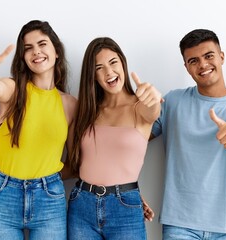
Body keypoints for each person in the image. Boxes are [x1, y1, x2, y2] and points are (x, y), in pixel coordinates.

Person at [151, 29, 226, 239]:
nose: (202, 65)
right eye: (193, 60)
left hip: (225, 226)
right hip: (179, 224)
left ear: (222, 56)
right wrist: (136, 104)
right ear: (186, 67)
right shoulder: (173, 102)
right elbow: (135, 138)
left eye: (209, 56)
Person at [0, 20, 77, 240]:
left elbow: (75, 162)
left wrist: (47, 179)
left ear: (56, 51)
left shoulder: (70, 105)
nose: (36, 52)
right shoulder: (14, 89)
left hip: (49, 199)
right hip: (4, 195)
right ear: (23, 57)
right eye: (28, 48)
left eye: (42, 44)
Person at [65, 37, 161, 240]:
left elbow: (152, 111)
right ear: (93, 76)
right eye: (99, 67)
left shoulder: (140, 107)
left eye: (113, 62)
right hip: (81, 204)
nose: (109, 72)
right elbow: (77, 165)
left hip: (125, 207)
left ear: (123, 63)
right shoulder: (87, 110)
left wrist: (152, 98)